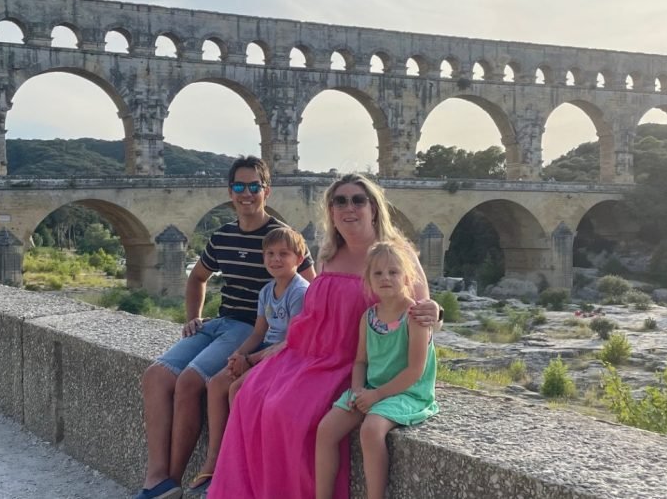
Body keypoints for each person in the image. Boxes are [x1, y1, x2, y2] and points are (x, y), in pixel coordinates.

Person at [208, 173, 441, 499]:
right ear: (330, 211)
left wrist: (436, 313)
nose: (349, 207)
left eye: (358, 200)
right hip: (308, 354)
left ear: (373, 207)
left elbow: (420, 314)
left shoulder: (395, 256)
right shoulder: (328, 255)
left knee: (285, 411)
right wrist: (266, 354)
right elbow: (313, 319)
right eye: (339, 201)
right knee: (245, 393)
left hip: (350, 364)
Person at [134, 157, 315, 499]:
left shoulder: (281, 239)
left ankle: (171, 484)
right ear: (229, 192)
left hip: (250, 328)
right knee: (155, 376)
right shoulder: (223, 236)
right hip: (220, 322)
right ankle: (156, 477)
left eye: (253, 186)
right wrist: (193, 315)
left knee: (189, 381)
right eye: (238, 186)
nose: (246, 194)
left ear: (266, 190)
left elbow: (312, 292)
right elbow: (198, 277)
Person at [186, 227, 311, 495]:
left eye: (283, 254)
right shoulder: (267, 291)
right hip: (267, 349)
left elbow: (294, 341)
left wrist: (251, 359)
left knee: (237, 388)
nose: (276, 260)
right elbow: (258, 332)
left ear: (299, 259)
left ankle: (241, 459)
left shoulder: (300, 292)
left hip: (289, 354)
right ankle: (215, 460)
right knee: (217, 383)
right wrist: (239, 355)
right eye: (270, 254)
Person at [315, 241, 439, 499]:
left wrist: (376, 395)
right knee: (326, 429)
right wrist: (358, 389)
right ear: (368, 280)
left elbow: (415, 370)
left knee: (371, 429)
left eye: (393, 272)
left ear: (407, 276)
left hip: (408, 392)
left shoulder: (414, 317)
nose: (385, 278)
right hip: (373, 389)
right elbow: (361, 361)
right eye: (378, 273)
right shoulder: (369, 317)